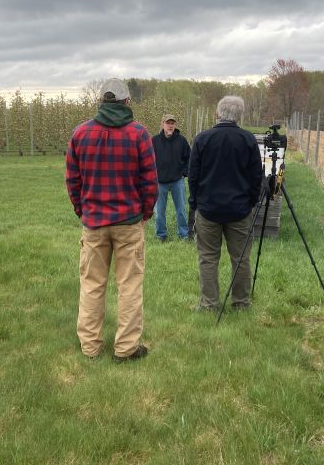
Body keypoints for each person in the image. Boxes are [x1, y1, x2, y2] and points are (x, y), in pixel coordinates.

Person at [65, 78, 159, 361]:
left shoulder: (81, 134)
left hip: (94, 223)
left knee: (92, 284)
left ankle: (90, 347)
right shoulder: (138, 135)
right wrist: (144, 214)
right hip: (128, 222)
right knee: (129, 285)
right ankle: (126, 348)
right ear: (126, 102)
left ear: (101, 101)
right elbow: (149, 182)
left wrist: (83, 211)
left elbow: (73, 181)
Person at [188, 95, 263, 311]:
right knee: (240, 258)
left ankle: (209, 304)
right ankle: (241, 303)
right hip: (239, 210)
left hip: (208, 209)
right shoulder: (247, 140)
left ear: (218, 113)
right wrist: (250, 201)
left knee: (208, 258)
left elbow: (193, 176)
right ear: (239, 115)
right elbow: (256, 176)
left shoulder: (202, 139)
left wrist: (195, 203)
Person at [151, 114, 191, 242]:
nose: (170, 125)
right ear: (163, 124)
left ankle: (184, 235)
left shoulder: (182, 141)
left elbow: (189, 159)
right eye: (168, 123)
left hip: (177, 181)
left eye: (172, 123)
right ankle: (161, 235)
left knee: (181, 210)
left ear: (175, 125)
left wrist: (184, 172)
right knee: (159, 212)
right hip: (159, 181)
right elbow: (149, 160)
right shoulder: (154, 141)